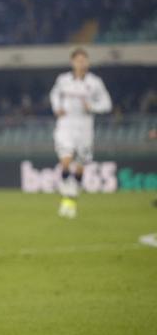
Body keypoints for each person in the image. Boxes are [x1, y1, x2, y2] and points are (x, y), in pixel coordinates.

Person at [49, 48, 112, 218]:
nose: (81, 63)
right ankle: (66, 189)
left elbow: (107, 104)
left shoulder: (95, 82)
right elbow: (54, 94)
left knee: (80, 167)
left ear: (88, 62)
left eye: (84, 60)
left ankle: (70, 200)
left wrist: (92, 107)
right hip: (66, 124)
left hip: (85, 127)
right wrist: (57, 107)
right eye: (78, 60)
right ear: (72, 62)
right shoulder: (63, 80)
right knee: (66, 160)